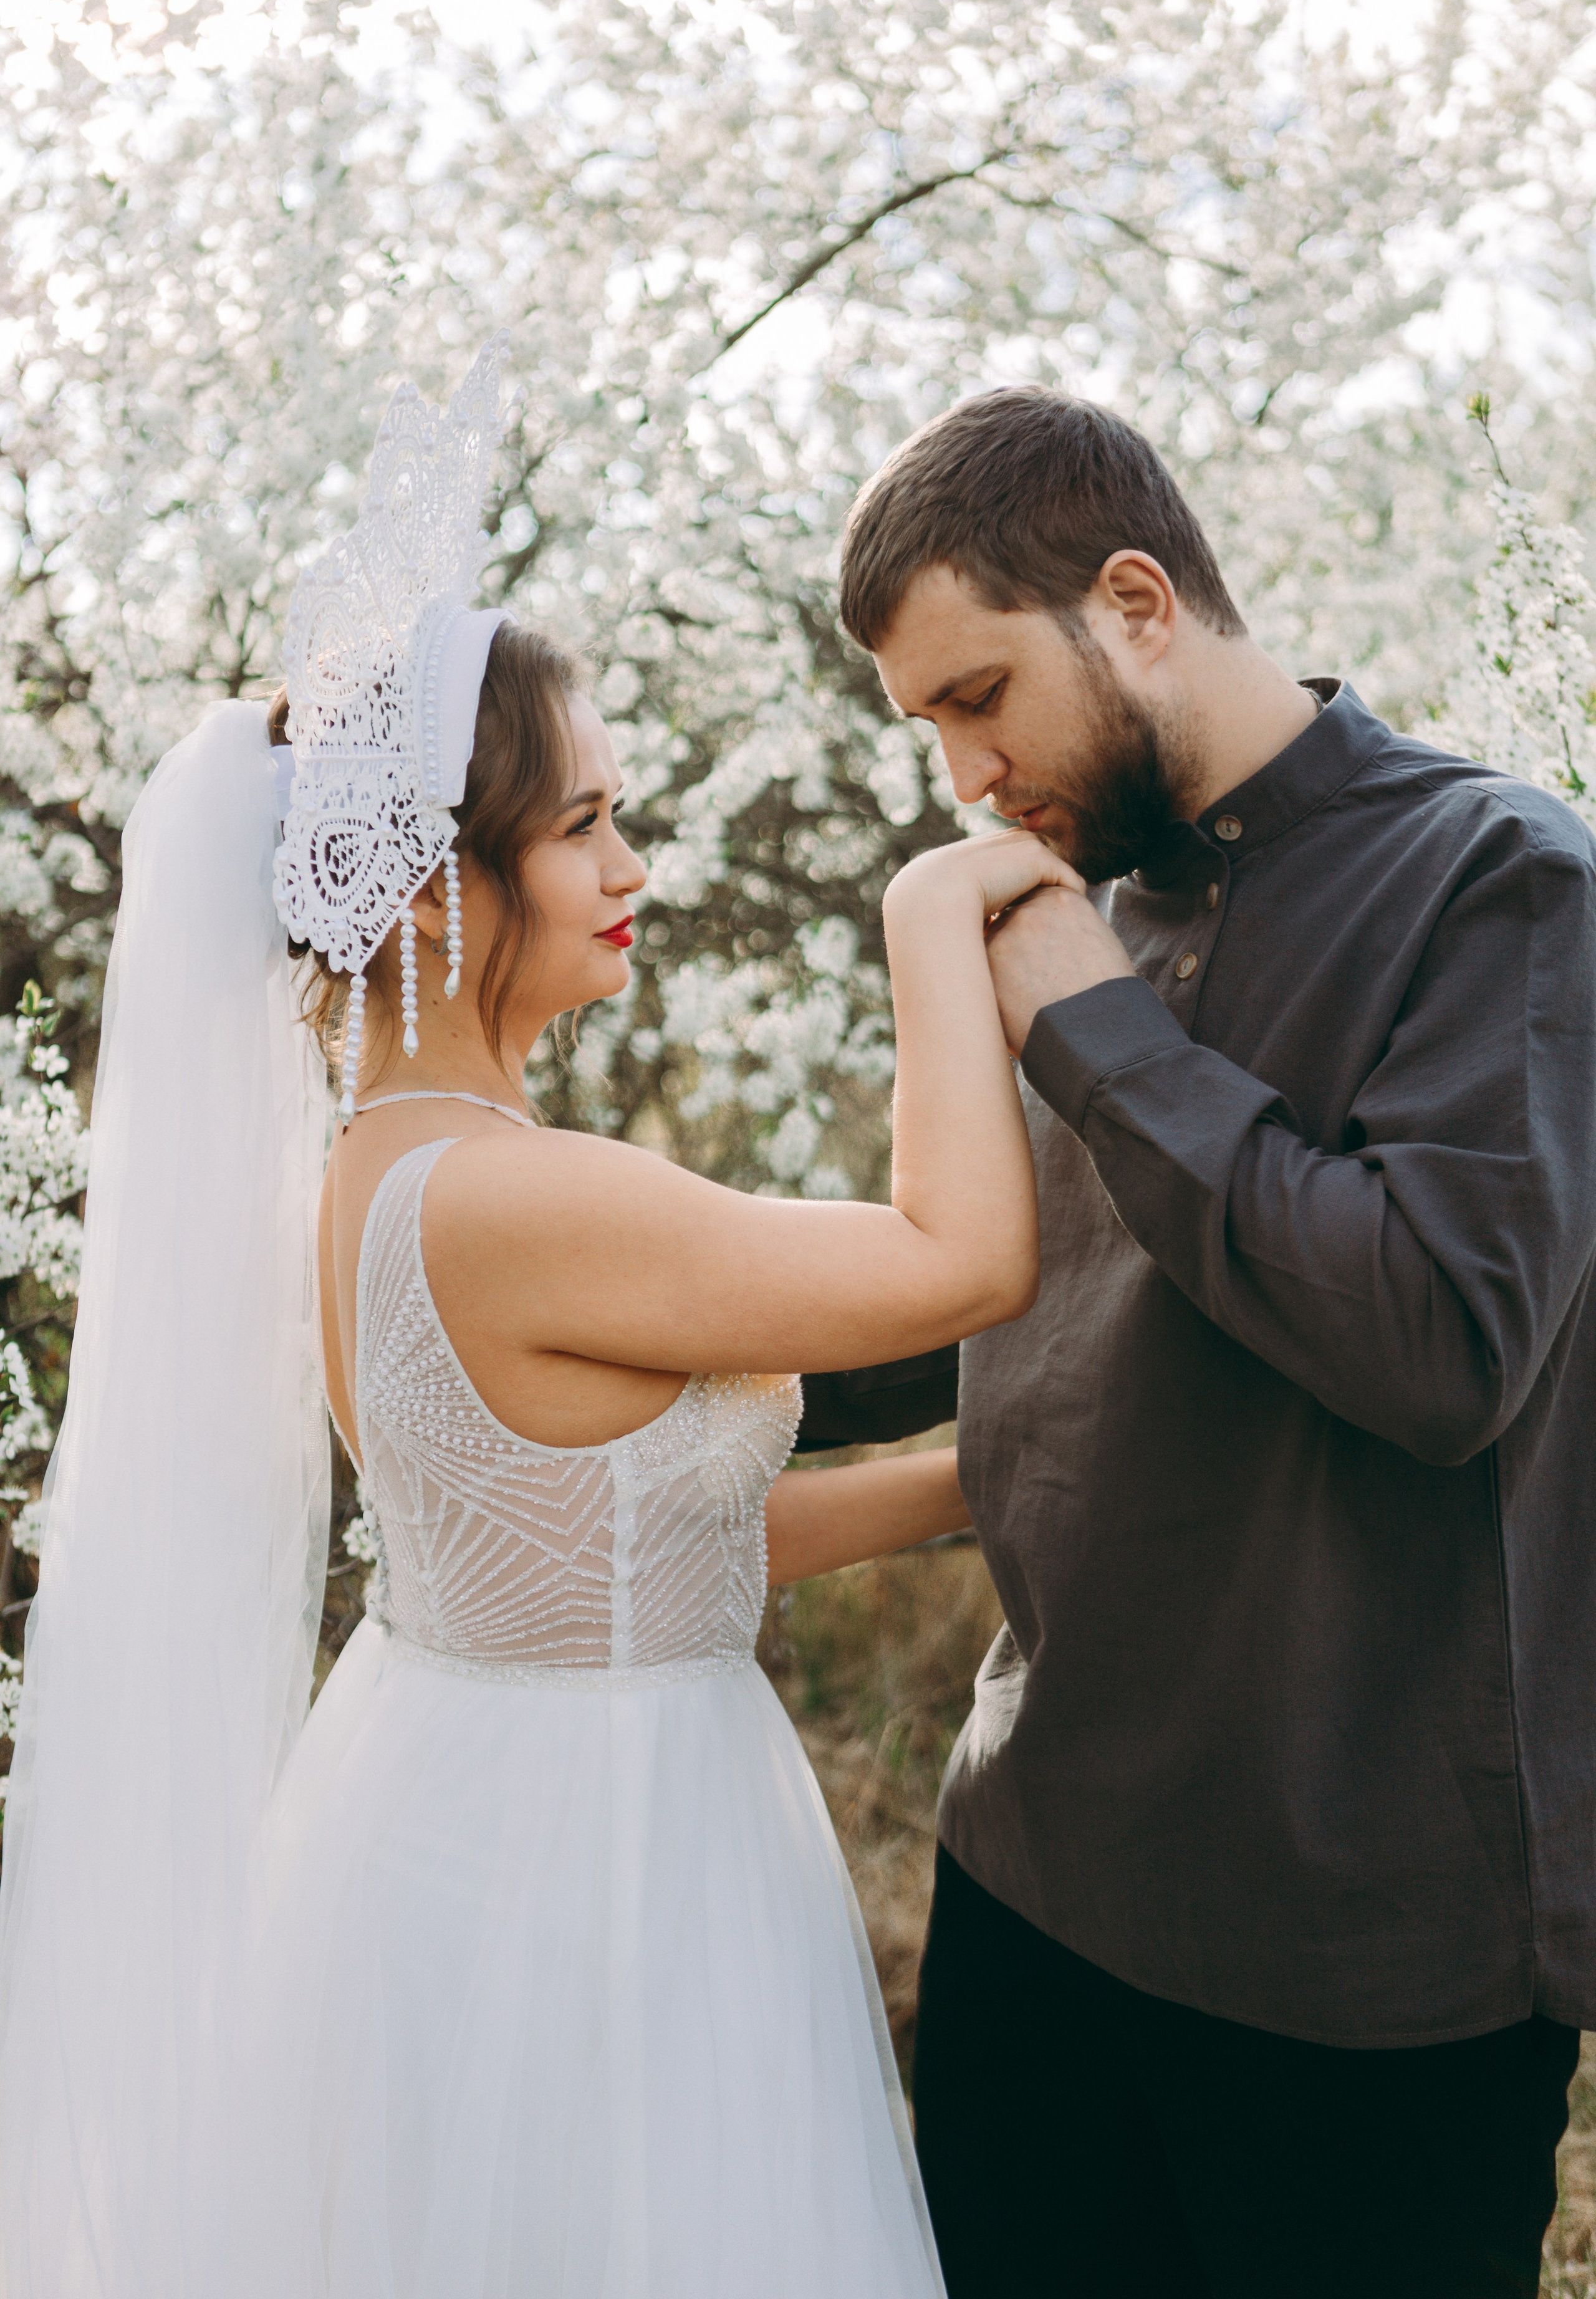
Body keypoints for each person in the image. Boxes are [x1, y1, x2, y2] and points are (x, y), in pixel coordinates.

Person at [0, 342, 1064, 2298]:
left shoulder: (376, 1173)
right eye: (583, 826)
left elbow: (642, 1550)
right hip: (603, 1884)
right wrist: (939, 908)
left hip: (466, 1814)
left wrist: (982, 1485)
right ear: (427, 897)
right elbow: (962, 1262)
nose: (631, 867)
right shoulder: (520, 1198)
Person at [801, 383, 1596, 2299]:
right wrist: (614, 1345)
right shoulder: (1089, 902)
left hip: (1362, 1969)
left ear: (1138, 601)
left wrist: (1091, 1027)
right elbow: (982, 1281)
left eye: (980, 700)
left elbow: (1436, 1344)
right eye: (928, 732)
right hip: (1030, 1888)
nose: (966, 780)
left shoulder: (1505, 884)